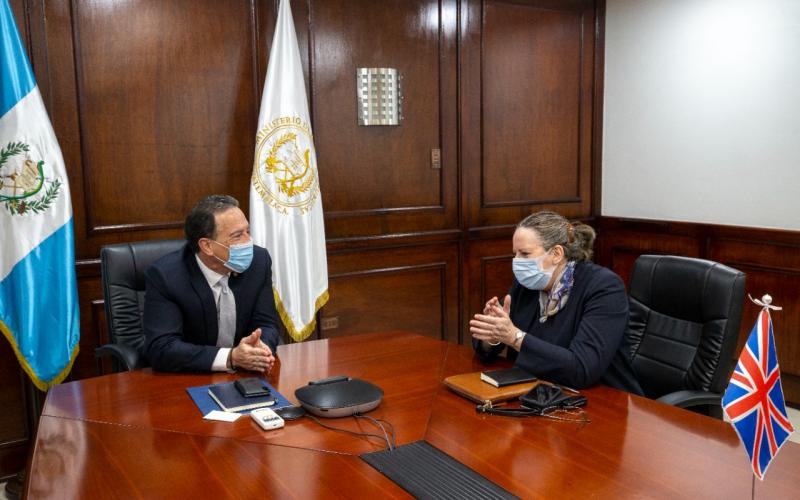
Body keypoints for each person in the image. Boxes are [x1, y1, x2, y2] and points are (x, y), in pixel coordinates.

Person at [470, 211, 643, 394]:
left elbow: (582, 369)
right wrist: (492, 335)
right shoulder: (526, 284)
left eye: (525, 254)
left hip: (603, 399)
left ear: (556, 253)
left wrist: (515, 337)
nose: (516, 262)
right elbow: (487, 350)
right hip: (538, 392)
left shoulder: (604, 287)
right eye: (515, 254)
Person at [143, 194, 280, 373]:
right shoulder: (166, 276)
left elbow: (267, 323)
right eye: (237, 235)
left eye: (248, 231)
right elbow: (162, 348)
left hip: (246, 374)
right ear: (207, 246)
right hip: (190, 376)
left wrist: (261, 349)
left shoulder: (259, 261)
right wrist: (231, 357)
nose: (248, 241)